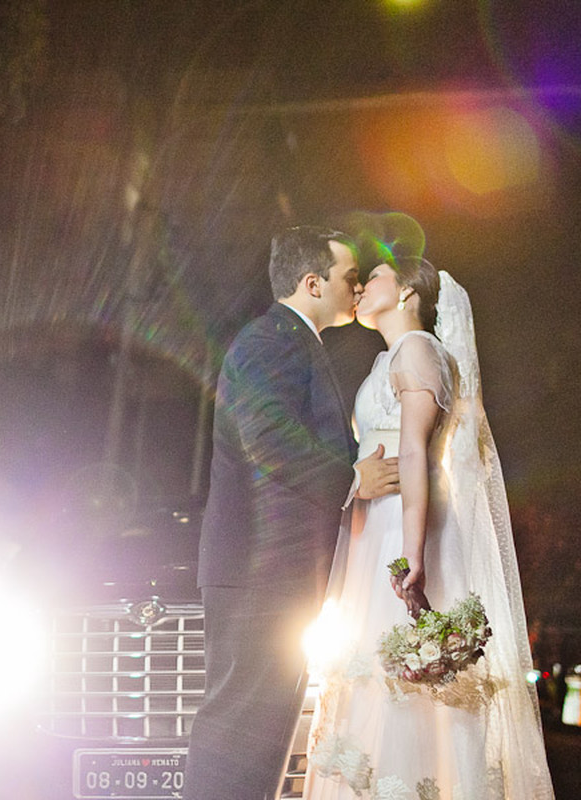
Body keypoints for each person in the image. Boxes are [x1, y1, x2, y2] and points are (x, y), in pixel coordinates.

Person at [303, 247, 554, 799]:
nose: (363, 286)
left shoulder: (418, 350)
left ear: (409, 291)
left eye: (375, 277)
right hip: (375, 523)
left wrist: (412, 554)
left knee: (406, 678)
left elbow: (415, 453)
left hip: (402, 524)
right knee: (375, 668)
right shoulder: (385, 359)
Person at [184, 226, 401, 800]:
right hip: (258, 573)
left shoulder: (293, 341)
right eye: (349, 278)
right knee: (238, 732)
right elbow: (268, 438)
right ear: (313, 283)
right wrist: (354, 476)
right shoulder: (271, 339)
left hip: (272, 575)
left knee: (261, 736)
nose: (356, 290)